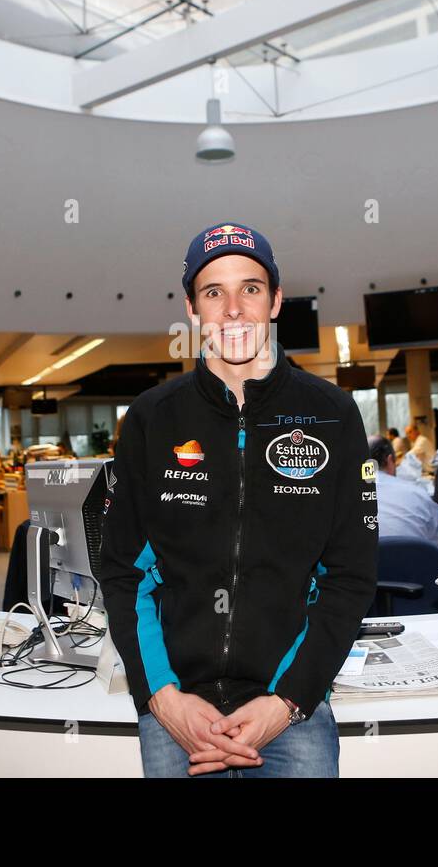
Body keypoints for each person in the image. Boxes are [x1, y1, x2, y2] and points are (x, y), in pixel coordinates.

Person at [100, 222, 376, 779]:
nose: (233, 309)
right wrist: (161, 696)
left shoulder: (333, 415)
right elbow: (122, 571)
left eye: (250, 289)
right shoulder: (153, 418)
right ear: (192, 307)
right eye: (213, 292)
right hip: (178, 712)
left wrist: (288, 701)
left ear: (275, 301)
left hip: (291, 710)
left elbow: (351, 576)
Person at [366, 435, 438, 561]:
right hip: (416, 577)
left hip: (360, 578)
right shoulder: (417, 494)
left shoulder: (340, 500)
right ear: (390, 460)